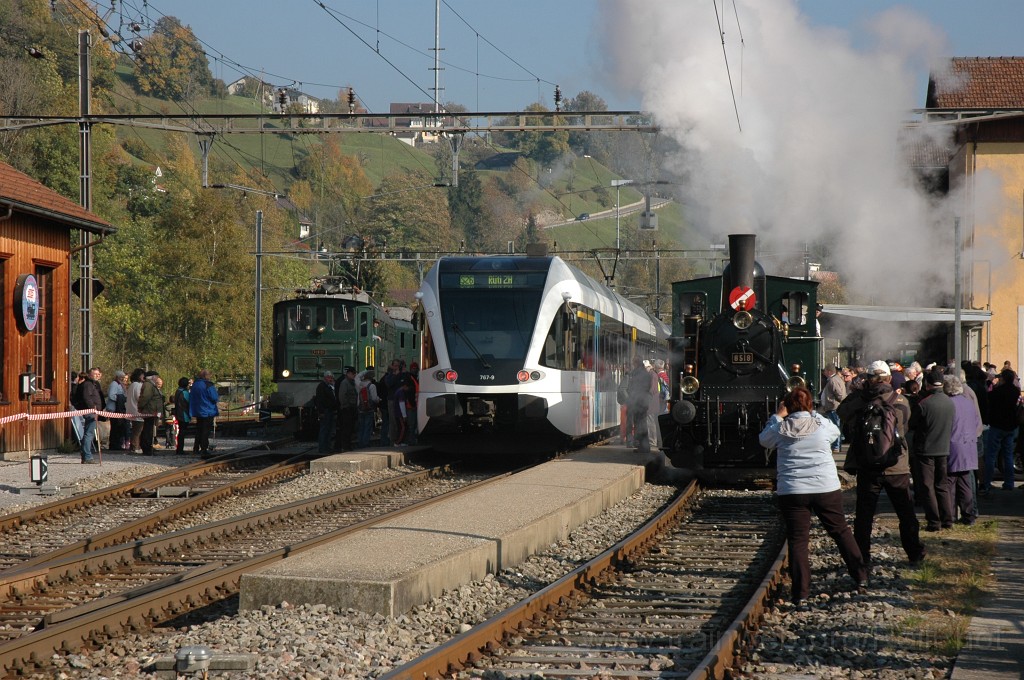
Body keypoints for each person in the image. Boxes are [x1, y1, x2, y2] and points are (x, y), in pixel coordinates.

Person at [759, 387, 866, 602]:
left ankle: (801, 592)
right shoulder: (821, 425)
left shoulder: (780, 429)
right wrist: (814, 412)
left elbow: (763, 440)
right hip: (825, 487)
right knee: (840, 531)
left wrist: (777, 416)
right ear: (810, 405)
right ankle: (861, 575)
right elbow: (837, 432)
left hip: (793, 491)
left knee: (798, 540)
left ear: (787, 406)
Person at [838, 359, 926, 569]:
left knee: (864, 515)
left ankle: (862, 556)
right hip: (896, 465)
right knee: (905, 513)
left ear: (867, 379)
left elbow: (842, 414)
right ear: (888, 378)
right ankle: (914, 552)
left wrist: (858, 394)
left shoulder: (858, 400)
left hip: (867, 465)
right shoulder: (900, 400)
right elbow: (905, 424)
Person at [910, 367, 955, 531]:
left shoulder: (924, 404)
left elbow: (912, 424)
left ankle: (934, 521)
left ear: (928, 385)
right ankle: (947, 519)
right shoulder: (950, 402)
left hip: (926, 450)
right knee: (942, 485)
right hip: (943, 448)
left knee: (927, 486)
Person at [944, 374, 981, 525]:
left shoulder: (949, 404)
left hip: (953, 445)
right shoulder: (968, 403)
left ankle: (951, 515)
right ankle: (969, 515)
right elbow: (977, 422)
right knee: (965, 482)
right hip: (969, 445)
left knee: (950, 482)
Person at [981, 368, 1021, 494]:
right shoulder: (1015, 391)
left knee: (991, 455)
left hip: (997, 425)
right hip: (1010, 425)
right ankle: (1009, 483)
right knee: (1008, 455)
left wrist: (992, 384)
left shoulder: (998, 391)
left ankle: (986, 482)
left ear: (1003, 379)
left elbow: (989, 398)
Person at [626, 356, 656, 453]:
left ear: (636, 363)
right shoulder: (645, 373)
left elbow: (634, 388)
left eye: (633, 363)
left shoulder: (637, 373)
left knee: (640, 424)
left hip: (639, 402)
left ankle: (643, 446)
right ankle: (643, 446)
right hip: (643, 401)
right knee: (641, 424)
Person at [190, 369, 220, 458]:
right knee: (205, 431)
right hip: (208, 411)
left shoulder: (195, 384)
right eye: (209, 375)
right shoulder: (208, 385)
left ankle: (196, 448)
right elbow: (214, 397)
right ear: (206, 376)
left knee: (199, 430)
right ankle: (204, 449)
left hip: (198, 411)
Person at [77, 368, 104, 464]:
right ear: (89, 375)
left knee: (88, 433)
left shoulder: (93, 384)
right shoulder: (88, 385)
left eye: (98, 374)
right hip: (91, 412)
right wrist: (93, 409)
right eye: (95, 374)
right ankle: (87, 456)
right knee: (89, 434)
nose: (97, 375)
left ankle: (85, 455)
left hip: (93, 411)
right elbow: (87, 397)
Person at [818, 365, 846, 452]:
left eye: (825, 371)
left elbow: (840, 394)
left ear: (829, 372)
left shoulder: (833, 380)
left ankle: (836, 446)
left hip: (834, 407)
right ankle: (837, 446)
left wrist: (835, 401)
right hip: (832, 407)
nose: (824, 373)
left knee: (835, 427)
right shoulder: (835, 379)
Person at [138, 372, 164, 455]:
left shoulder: (151, 385)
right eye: (156, 376)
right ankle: (146, 447)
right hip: (149, 411)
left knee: (149, 430)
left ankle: (148, 446)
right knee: (147, 430)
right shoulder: (148, 385)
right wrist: (141, 407)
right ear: (152, 377)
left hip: (152, 411)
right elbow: (145, 398)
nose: (157, 378)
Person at [335, 366, 358, 452]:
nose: (354, 375)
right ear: (348, 374)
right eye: (353, 374)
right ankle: (345, 446)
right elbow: (342, 395)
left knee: (350, 428)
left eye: (355, 374)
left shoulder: (351, 382)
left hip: (351, 408)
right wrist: (345, 405)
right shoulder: (345, 383)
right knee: (346, 428)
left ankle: (347, 445)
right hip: (347, 409)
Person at [355, 367, 379, 448]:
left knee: (361, 427)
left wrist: (365, 371)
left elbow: (357, 377)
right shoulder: (372, 386)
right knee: (367, 427)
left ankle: (360, 443)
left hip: (360, 408)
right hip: (369, 409)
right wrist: (379, 399)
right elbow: (374, 398)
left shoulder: (359, 384)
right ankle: (366, 444)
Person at [314, 371, 337, 454]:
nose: (330, 379)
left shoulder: (329, 386)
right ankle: (323, 448)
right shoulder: (322, 387)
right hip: (325, 411)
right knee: (324, 430)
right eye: (329, 377)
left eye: (331, 377)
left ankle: (327, 447)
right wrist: (321, 412)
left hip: (329, 411)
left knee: (328, 430)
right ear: (325, 378)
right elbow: (319, 400)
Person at [104, 370, 128, 451]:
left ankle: (118, 443)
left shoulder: (120, 384)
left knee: (118, 427)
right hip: (114, 409)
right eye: (121, 377)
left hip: (119, 408)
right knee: (115, 427)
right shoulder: (114, 384)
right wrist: (120, 399)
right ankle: (114, 444)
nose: (123, 379)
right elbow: (111, 395)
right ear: (117, 377)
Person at [126, 368, 145, 453]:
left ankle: (134, 446)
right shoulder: (138, 385)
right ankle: (135, 447)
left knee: (135, 430)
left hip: (131, 409)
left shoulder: (132, 385)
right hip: (137, 410)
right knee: (138, 431)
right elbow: (139, 397)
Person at [173, 377, 192, 454]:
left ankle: (179, 448)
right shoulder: (185, 393)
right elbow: (189, 402)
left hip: (178, 413)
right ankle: (180, 449)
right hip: (184, 414)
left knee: (181, 432)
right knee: (182, 432)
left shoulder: (178, 391)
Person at [405, 362, 420, 445]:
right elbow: (410, 393)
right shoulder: (410, 378)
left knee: (413, 425)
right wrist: (413, 405)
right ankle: (411, 441)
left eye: (416, 368)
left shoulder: (415, 378)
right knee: (411, 425)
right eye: (414, 368)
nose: (415, 370)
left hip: (415, 405)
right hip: (411, 406)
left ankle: (412, 440)